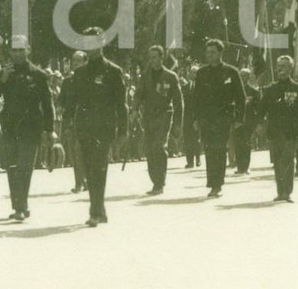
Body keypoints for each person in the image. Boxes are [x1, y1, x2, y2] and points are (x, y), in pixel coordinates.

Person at [0, 36, 55, 221]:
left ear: (28, 50)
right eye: (14, 50)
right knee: (12, 167)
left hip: (31, 127)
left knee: (25, 167)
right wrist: (2, 80)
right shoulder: (5, 74)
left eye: (20, 50)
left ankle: (21, 206)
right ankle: (18, 205)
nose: (17, 54)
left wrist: (50, 129)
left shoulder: (38, 74)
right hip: (10, 126)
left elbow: (47, 104)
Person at [67, 28, 126, 227]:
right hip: (84, 127)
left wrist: (123, 131)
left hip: (104, 127)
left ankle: (94, 211)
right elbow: (72, 102)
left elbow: (121, 104)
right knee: (89, 167)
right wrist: (68, 125)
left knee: (98, 168)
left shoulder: (113, 71)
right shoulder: (80, 73)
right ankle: (100, 210)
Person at [192, 39, 245, 198]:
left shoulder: (231, 72)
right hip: (206, 118)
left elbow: (241, 97)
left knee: (220, 149)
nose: (209, 55)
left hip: (223, 117)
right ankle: (212, 183)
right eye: (208, 52)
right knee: (209, 149)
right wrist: (196, 118)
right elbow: (196, 97)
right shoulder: (202, 73)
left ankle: (218, 184)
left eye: (213, 52)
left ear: (220, 53)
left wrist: (238, 118)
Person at [260, 55, 298, 203]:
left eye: (284, 66)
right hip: (275, 131)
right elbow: (262, 108)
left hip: (291, 131)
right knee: (277, 161)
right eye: (279, 66)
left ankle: (287, 192)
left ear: (290, 68)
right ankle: (280, 191)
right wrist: (258, 124)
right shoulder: (271, 89)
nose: (281, 69)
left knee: (287, 159)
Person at [135, 45, 184, 196]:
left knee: (159, 146)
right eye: (150, 58)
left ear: (162, 58)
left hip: (164, 114)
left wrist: (177, 123)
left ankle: (159, 183)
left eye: (155, 57)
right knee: (150, 149)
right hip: (148, 116)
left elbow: (178, 101)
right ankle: (155, 180)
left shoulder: (170, 76)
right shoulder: (145, 75)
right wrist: (135, 109)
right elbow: (138, 94)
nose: (152, 60)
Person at [59, 51, 88, 193]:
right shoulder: (68, 81)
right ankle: (79, 182)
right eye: (73, 60)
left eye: (78, 60)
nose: (75, 63)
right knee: (75, 152)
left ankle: (86, 181)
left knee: (85, 153)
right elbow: (61, 101)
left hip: (88, 121)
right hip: (71, 122)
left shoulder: (89, 80)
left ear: (85, 62)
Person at [234, 67, 261, 175]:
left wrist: (257, 121)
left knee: (246, 143)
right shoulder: (234, 90)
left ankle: (245, 167)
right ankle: (239, 166)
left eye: (245, 75)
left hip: (249, 121)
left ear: (249, 77)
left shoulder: (253, 91)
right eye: (241, 75)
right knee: (237, 144)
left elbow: (258, 107)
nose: (243, 77)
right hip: (237, 121)